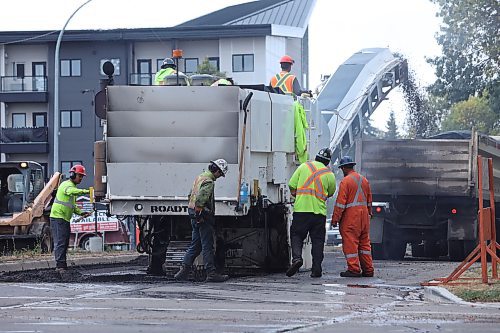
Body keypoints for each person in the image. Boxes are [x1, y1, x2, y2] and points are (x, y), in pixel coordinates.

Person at [174, 159, 230, 282]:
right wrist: (200, 215)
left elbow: (191, 196)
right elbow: (200, 200)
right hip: (202, 216)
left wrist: (195, 214)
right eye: (220, 174)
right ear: (216, 170)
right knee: (207, 245)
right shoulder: (209, 181)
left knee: (196, 244)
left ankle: (183, 271)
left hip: (193, 214)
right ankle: (211, 273)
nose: (219, 176)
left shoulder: (200, 177)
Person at [286, 148, 336, 278]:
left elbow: (291, 184)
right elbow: (331, 192)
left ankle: (297, 258)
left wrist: (294, 193)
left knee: (297, 235)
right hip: (319, 213)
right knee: (318, 241)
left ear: (316, 157)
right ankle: (316, 269)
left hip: (301, 210)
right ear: (328, 161)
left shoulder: (304, 167)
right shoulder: (329, 174)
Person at [331, 156, 374, 278]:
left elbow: (340, 203)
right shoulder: (364, 180)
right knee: (364, 244)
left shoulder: (346, 181)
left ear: (344, 168)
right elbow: (369, 200)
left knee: (350, 243)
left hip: (351, 217)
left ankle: (354, 269)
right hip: (364, 216)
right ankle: (368, 269)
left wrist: (335, 219)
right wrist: (369, 212)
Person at [50, 165, 91, 272]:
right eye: (80, 176)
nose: (81, 178)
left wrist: (82, 213)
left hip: (64, 219)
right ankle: (60, 266)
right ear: (72, 175)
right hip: (58, 217)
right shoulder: (66, 185)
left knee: (64, 242)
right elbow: (70, 191)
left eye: (82, 176)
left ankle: (62, 265)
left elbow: (72, 206)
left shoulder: (73, 188)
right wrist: (87, 192)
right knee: (60, 242)